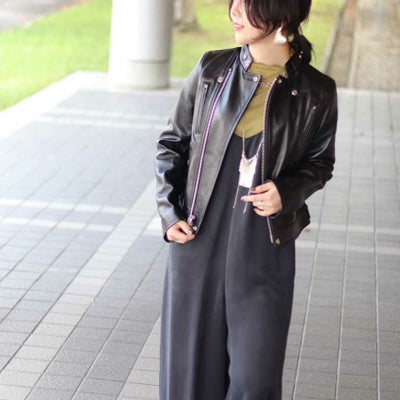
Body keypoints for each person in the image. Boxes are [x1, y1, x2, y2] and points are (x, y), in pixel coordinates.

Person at [155, 0, 338, 398]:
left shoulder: (317, 91)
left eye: (247, 5)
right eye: (234, 3)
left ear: (281, 15)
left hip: (263, 247)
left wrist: (287, 192)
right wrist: (170, 214)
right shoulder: (212, 70)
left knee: (255, 380)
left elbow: (320, 163)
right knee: (190, 376)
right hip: (197, 241)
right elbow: (172, 144)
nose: (234, 11)